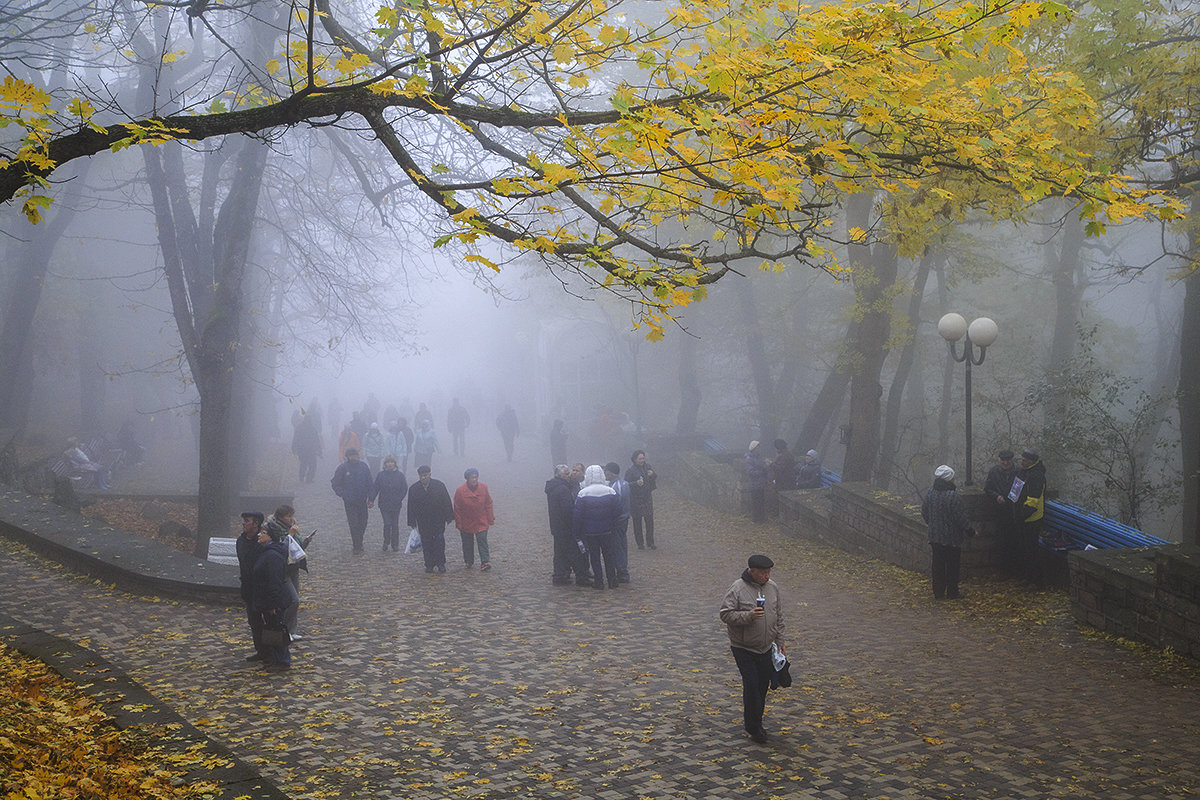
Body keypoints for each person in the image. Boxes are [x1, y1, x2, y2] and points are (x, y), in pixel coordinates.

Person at [719, 554, 786, 744]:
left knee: (762, 686)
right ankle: (753, 727)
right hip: (743, 648)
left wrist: (780, 639)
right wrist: (748, 616)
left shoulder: (772, 587)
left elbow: (779, 614)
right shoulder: (738, 588)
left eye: (768, 572)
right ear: (752, 571)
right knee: (752, 686)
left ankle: (757, 721)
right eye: (763, 573)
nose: (766, 576)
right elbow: (725, 614)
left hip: (765, 647)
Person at [921, 465, 975, 600]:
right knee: (952, 565)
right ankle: (952, 592)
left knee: (937, 565)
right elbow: (960, 517)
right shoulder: (952, 496)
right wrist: (970, 531)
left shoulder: (930, 492)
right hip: (952, 538)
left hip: (935, 536)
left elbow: (924, 512)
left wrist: (932, 524)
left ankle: (938, 592)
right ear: (950, 479)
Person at [573, 464, 621, 589]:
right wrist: (613, 524)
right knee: (609, 555)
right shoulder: (610, 491)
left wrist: (577, 532)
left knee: (594, 556)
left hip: (590, 531)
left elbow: (577, 515)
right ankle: (612, 579)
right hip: (607, 530)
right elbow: (618, 511)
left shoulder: (583, 493)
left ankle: (599, 581)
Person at [252, 522, 292, 671]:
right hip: (268, 600)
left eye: (263, 532)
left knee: (277, 628)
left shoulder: (272, 555)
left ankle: (282, 661)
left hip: (274, 601)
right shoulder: (267, 551)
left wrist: (273, 605)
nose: (259, 534)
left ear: (270, 537)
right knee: (272, 627)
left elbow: (274, 581)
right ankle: (276, 659)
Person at [265, 504, 309, 640]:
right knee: (293, 600)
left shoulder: (293, 526)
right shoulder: (273, 528)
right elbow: (282, 548)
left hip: (294, 566)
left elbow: (297, 547)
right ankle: (284, 629)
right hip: (283, 569)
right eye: (288, 516)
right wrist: (290, 535)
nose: (291, 519)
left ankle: (291, 630)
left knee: (295, 599)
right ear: (280, 517)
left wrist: (306, 541)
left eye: (292, 515)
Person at [407, 465, 455, 573]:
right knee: (426, 542)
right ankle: (429, 564)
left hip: (438, 519)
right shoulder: (414, 489)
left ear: (430, 474)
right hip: (423, 520)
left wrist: (449, 516)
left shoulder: (439, 486)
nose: (423, 478)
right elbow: (411, 506)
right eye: (421, 476)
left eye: (425, 475)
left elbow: (446, 501)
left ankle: (441, 563)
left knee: (439, 541)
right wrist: (412, 521)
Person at [546, 464, 589, 585]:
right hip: (565, 527)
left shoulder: (553, 487)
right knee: (574, 552)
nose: (569, 475)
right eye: (566, 473)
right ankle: (581, 577)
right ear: (560, 475)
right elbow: (568, 510)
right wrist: (575, 525)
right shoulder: (563, 489)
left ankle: (560, 576)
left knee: (560, 553)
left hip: (557, 526)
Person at [1013, 448, 1047, 587]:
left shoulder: (1036, 475)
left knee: (1031, 550)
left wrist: (1022, 515)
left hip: (1031, 518)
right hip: (1021, 516)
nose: (1022, 461)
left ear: (1031, 461)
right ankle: (1027, 577)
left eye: (1024, 460)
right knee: (1024, 549)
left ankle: (1036, 580)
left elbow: (1034, 499)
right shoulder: (1023, 472)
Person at [236, 511, 267, 662]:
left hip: (262, 587)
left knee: (268, 621)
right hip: (248, 588)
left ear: (256, 524)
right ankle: (260, 650)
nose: (243, 523)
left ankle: (272, 651)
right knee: (254, 622)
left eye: (247, 521)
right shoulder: (241, 541)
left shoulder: (262, 542)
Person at [983, 449, 1019, 575]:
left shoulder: (1018, 472)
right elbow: (988, 488)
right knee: (1001, 542)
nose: (1005, 462)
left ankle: (1015, 569)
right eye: (1003, 460)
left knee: (1015, 542)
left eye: (1007, 460)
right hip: (999, 512)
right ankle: (1004, 569)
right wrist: (996, 496)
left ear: (1011, 460)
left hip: (1015, 512)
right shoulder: (993, 472)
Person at [331, 447, 372, 553]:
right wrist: (343, 494)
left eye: (356, 455)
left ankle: (359, 541)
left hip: (362, 500)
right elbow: (335, 483)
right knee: (354, 523)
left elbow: (370, 482)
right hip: (350, 501)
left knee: (363, 522)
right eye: (352, 455)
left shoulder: (364, 467)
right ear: (348, 457)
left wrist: (371, 497)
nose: (355, 457)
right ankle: (357, 546)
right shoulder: (343, 468)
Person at [453, 468, 495, 570]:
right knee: (467, 542)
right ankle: (468, 561)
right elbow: (457, 508)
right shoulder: (460, 491)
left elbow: (488, 503)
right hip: (466, 521)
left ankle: (485, 561)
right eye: (472, 477)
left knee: (482, 540)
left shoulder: (483, 488)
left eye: (476, 477)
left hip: (481, 520)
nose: (475, 479)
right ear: (467, 478)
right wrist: (459, 523)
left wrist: (490, 518)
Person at [370, 455, 408, 552]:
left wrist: (399, 498)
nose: (390, 464)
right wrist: (371, 499)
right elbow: (375, 488)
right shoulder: (381, 475)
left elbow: (404, 488)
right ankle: (386, 541)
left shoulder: (400, 475)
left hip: (396, 504)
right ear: (385, 464)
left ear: (395, 464)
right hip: (384, 504)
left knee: (395, 524)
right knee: (387, 523)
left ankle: (395, 544)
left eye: (391, 462)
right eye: (388, 462)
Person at [604, 461, 632, 583]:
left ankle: (622, 571)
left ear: (610, 472)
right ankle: (621, 569)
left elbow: (615, 505)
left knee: (618, 546)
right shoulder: (624, 484)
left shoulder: (615, 487)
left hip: (617, 520)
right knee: (621, 544)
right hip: (623, 519)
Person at [625, 450, 657, 549]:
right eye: (640, 459)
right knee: (637, 522)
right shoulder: (630, 470)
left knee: (649, 521)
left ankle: (650, 542)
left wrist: (653, 474)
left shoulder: (648, 467)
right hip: (635, 499)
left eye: (643, 458)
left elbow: (654, 479)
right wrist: (636, 483)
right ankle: (640, 543)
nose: (642, 460)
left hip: (647, 497)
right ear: (635, 459)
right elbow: (626, 485)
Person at [292, 414, 322, 483]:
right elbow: (317, 440)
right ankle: (309, 478)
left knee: (303, 464)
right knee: (312, 465)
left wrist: (294, 448)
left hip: (301, 450)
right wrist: (319, 450)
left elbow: (295, 439)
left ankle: (301, 477)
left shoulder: (299, 428)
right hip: (311, 450)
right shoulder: (312, 428)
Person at [745, 441, 769, 524]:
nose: (759, 449)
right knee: (755, 502)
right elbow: (750, 472)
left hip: (761, 483)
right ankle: (755, 519)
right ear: (754, 449)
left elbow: (763, 467)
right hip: (754, 484)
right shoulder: (749, 459)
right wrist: (761, 471)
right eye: (757, 448)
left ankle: (762, 518)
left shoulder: (760, 457)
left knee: (761, 501)